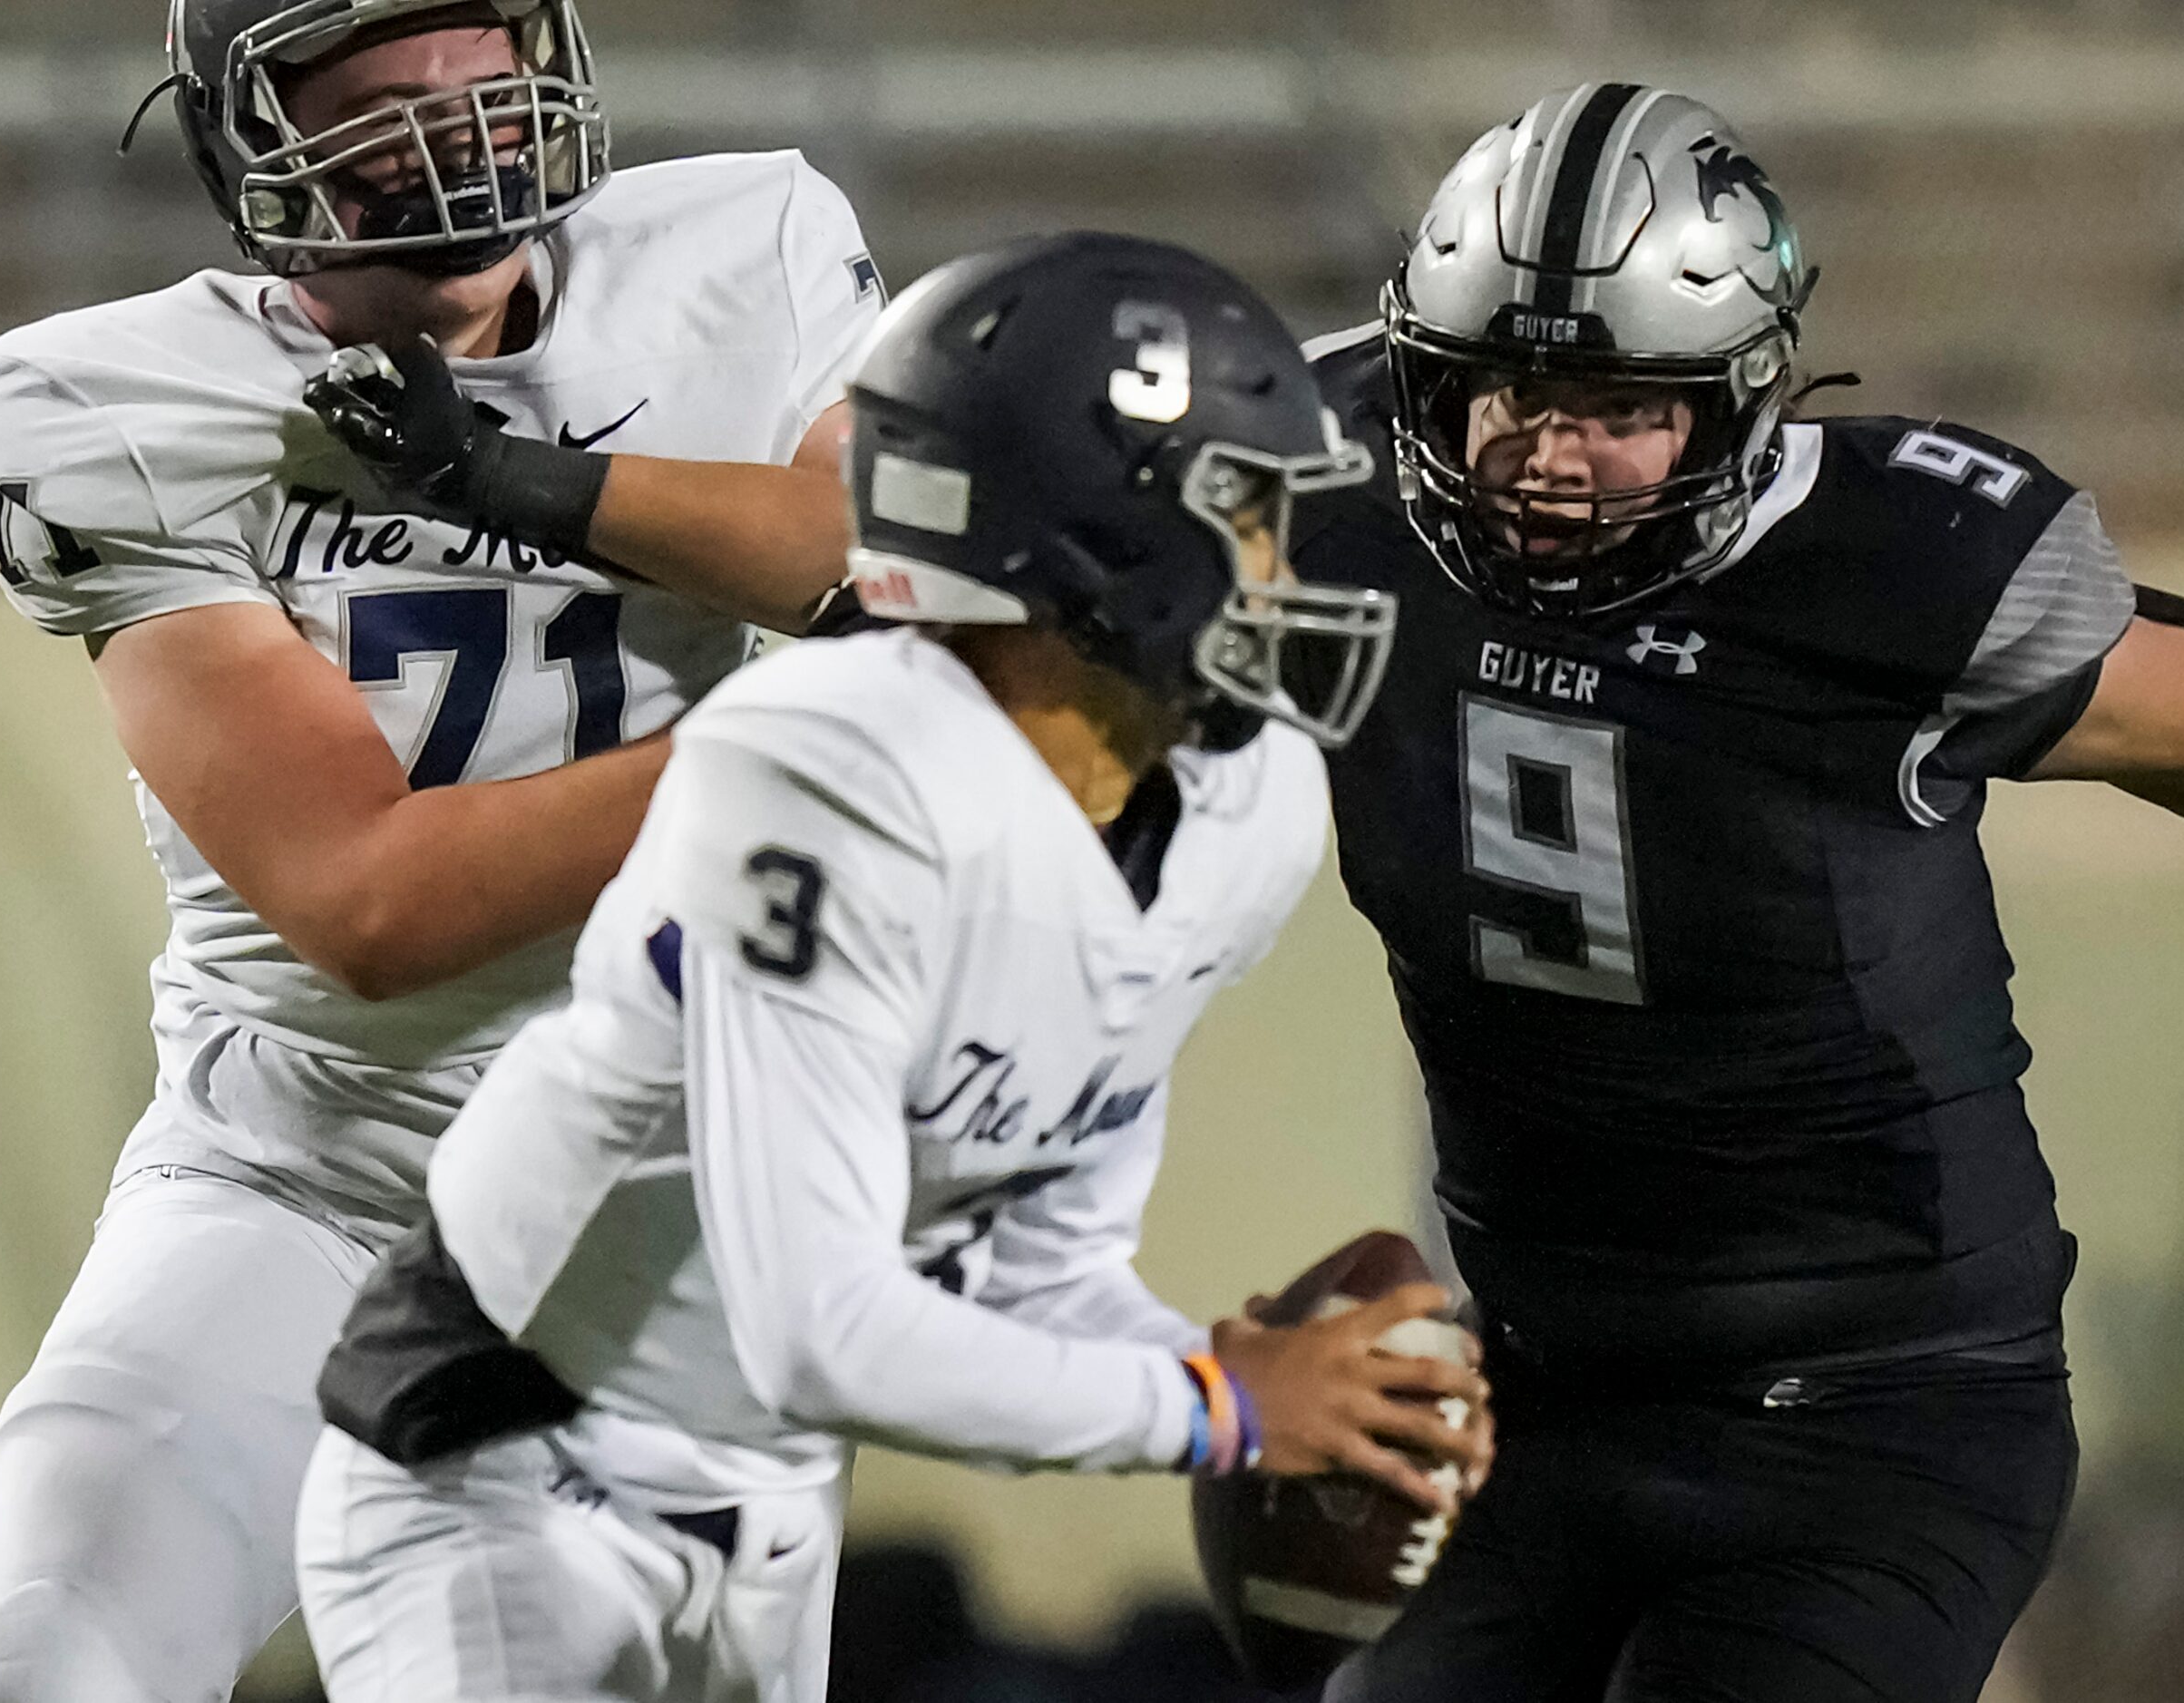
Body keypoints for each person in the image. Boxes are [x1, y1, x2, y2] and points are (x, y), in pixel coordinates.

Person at [1286, 84, 2184, 1702]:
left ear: (1739, 397)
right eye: (1507, 389)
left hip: (1884, 1417)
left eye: (1615, 403)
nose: (1545, 454)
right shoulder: (1326, 484)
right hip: (1540, 1397)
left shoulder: (1882, 566)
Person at [288, 232, 1490, 1703]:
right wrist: (1217, 1404)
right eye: (1242, 506)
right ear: (1095, 537)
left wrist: (1283, 1396)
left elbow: (1037, 1262)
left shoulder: (1240, 807)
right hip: (501, 1453)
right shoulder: (826, 772)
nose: (1279, 563)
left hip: (773, 1494)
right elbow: (822, 1325)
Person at [0, 2, 876, 1698]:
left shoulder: (743, 248)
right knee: (38, 1655)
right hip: (310, 1175)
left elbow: (855, 562)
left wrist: (526, 483)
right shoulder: (115, 401)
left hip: (666, 1213)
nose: (456, 133)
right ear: (247, 137)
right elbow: (370, 900)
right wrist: (795, 760)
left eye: (482, 79)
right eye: (377, 99)